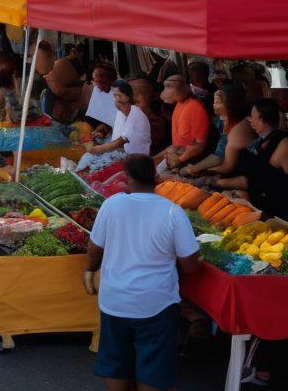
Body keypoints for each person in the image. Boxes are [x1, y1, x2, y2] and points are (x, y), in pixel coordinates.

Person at [85, 154, 200, 391]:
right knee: (153, 366)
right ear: (156, 178)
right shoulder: (172, 212)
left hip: (114, 300)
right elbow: (189, 264)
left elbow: (95, 247)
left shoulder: (112, 204)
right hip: (155, 304)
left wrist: (89, 270)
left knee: (116, 361)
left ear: (128, 178)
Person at [215, 98, 288, 222]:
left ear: (263, 119)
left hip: (278, 213)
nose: (250, 120)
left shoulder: (284, 142)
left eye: (252, 116)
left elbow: (264, 179)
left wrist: (218, 182)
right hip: (258, 204)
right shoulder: (258, 142)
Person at [180, 81, 255, 177]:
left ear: (229, 105)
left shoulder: (238, 129)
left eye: (218, 102)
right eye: (214, 102)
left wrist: (196, 169)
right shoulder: (222, 121)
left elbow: (221, 160)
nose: (214, 105)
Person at [78, 80, 152, 173]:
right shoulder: (122, 112)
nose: (117, 100)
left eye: (119, 96)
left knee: (93, 168)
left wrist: (95, 149)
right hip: (117, 154)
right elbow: (111, 127)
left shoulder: (137, 115)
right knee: (87, 160)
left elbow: (120, 143)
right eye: (115, 96)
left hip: (133, 161)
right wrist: (101, 132)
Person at [154, 74, 211, 170]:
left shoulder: (195, 108)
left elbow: (199, 145)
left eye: (169, 87)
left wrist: (180, 159)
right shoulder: (180, 104)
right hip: (178, 152)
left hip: (191, 161)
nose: (164, 92)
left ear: (179, 88)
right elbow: (177, 143)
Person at [85, 63, 119, 128]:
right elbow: (93, 117)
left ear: (111, 80)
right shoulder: (97, 90)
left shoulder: (120, 92)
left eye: (102, 82)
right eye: (96, 83)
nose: (99, 88)